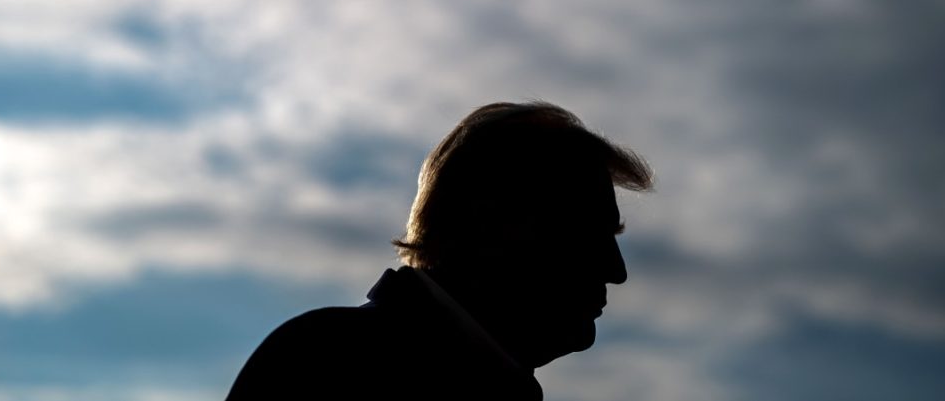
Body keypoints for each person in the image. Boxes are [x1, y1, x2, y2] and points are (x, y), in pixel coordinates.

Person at [226, 101, 653, 400]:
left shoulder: (328, 354)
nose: (616, 271)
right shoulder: (326, 364)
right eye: (588, 235)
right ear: (492, 225)